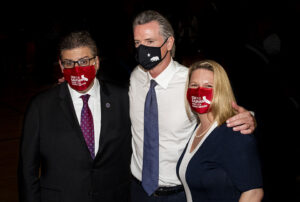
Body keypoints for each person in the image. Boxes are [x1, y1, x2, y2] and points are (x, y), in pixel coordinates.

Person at [129, 10, 256, 202]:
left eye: (150, 42)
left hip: (179, 193)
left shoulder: (190, 82)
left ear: (169, 43)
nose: (142, 49)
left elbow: (224, 112)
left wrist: (250, 117)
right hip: (138, 190)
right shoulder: (136, 77)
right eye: (138, 43)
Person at [18, 31, 132, 202]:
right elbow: (28, 169)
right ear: (61, 66)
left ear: (97, 62)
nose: (76, 69)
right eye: (69, 63)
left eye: (84, 61)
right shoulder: (40, 107)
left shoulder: (124, 98)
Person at [177, 60, 263, 202]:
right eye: (194, 85)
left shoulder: (235, 132)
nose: (199, 91)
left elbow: (253, 193)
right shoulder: (196, 129)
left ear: (221, 91)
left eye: (208, 86)